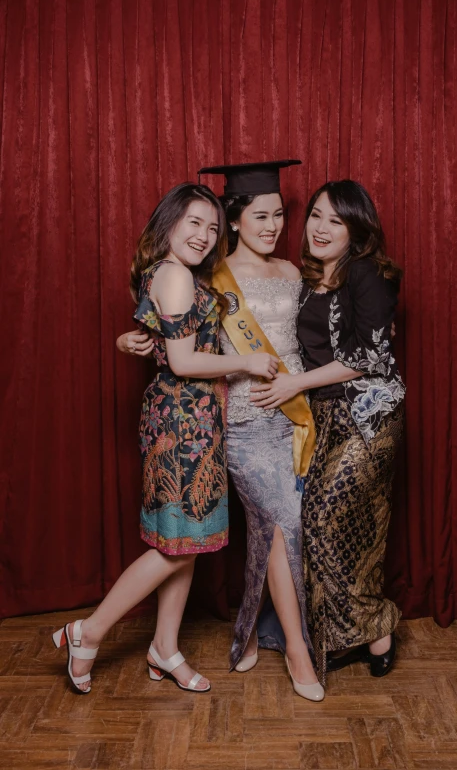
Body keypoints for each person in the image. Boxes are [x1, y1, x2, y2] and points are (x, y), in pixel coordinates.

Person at [52, 183, 278, 695]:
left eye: (213, 227)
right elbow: (182, 361)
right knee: (174, 547)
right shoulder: (176, 274)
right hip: (180, 424)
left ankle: (165, 647)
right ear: (170, 223)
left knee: (187, 543)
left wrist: (129, 339)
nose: (204, 235)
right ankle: (87, 633)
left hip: (194, 418)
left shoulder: (178, 274)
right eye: (194, 223)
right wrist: (245, 362)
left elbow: (160, 342)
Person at [119, 161, 324, 702]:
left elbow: (312, 337)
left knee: (275, 524)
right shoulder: (206, 274)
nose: (274, 224)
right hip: (232, 423)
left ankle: (253, 631)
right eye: (261, 214)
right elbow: (162, 318)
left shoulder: (294, 270)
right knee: (281, 520)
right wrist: (129, 338)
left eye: (281, 214)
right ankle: (298, 650)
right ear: (234, 219)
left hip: (291, 416)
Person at [251, 180, 405, 686]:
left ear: (356, 229)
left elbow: (371, 356)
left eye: (336, 221)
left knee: (321, 518)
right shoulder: (310, 276)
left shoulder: (368, 274)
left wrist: (296, 382)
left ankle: (377, 626)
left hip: (369, 417)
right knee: (343, 530)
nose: (320, 228)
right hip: (324, 419)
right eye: (316, 215)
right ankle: (355, 632)